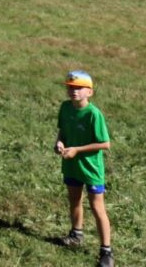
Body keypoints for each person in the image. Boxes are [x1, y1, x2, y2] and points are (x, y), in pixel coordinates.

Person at [56, 70, 113, 267]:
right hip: (71, 165)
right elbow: (62, 131)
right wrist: (59, 143)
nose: (74, 91)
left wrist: (77, 150)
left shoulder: (93, 114)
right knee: (74, 200)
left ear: (90, 92)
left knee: (97, 207)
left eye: (79, 88)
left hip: (91, 169)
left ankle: (106, 252)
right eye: (71, 87)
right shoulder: (65, 107)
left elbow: (105, 144)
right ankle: (76, 235)